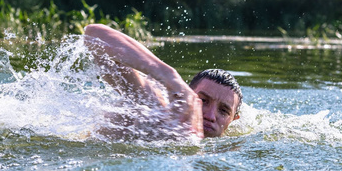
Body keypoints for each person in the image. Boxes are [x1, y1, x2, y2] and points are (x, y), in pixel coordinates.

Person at [84, 24, 243, 139]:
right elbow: (93, 34)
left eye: (223, 111)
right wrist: (169, 75)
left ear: (233, 120)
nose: (210, 116)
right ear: (186, 96)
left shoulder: (230, 147)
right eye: (203, 101)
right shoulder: (155, 106)